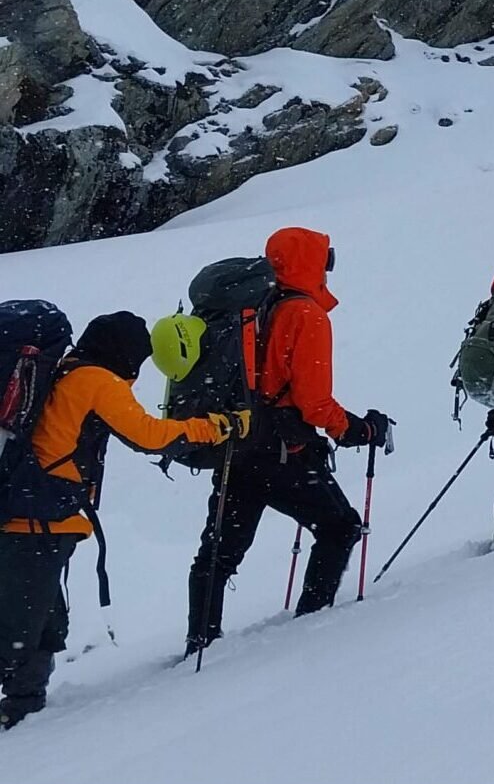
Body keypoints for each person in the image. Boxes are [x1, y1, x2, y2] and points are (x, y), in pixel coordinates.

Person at [1, 312, 234, 729]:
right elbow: (148, 435)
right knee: (21, 628)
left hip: (35, 514)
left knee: (41, 621)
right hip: (36, 521)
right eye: (138, 360)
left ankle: (25, 708)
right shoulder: (97, 380)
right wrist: (212, 428)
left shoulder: (67, 371)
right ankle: (20, 705)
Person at [186, 228, 389, 656]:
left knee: (218, 551)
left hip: (237, 444)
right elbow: (314, 402)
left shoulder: (255, 306)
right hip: (283, 451)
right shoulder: (305, 314)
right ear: (310, 262)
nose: (328, 266)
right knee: (340, 528)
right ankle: (309, 630)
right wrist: (357, 430)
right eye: (324, 258)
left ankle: (199, 644)